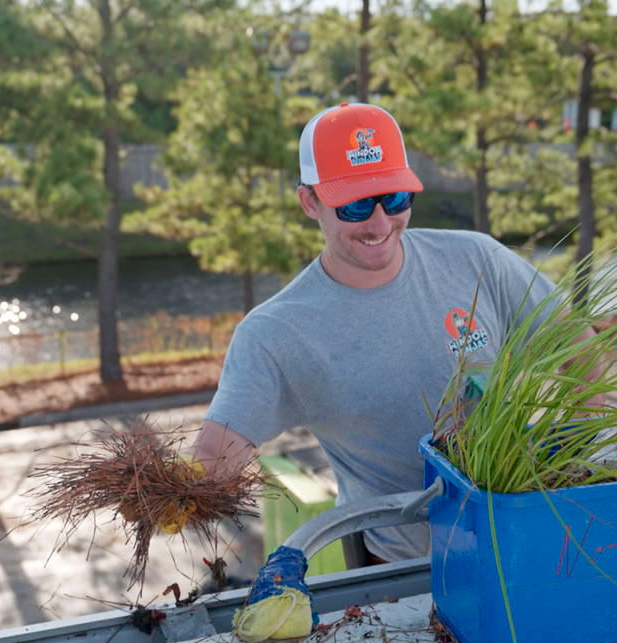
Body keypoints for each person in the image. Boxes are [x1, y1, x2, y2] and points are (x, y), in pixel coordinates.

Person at [190, 102, 568, 563]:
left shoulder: (477, 261)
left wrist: (586, 457)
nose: (380, 224)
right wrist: (175, 493)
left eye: (394, 199)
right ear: (310, 202)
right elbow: (217, 453)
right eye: (354, 206)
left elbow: (578, 347)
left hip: (514, 537)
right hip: (397, 570)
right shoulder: (276, 333)